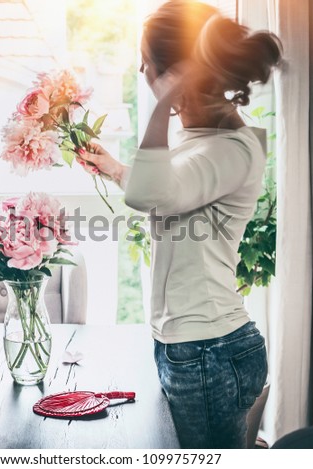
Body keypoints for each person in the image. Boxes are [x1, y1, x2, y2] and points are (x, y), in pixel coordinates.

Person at [76, 0, 282, 449]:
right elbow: (174, 193)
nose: (142, 71)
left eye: (146, 63)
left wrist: (163, 100)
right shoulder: (205, 139)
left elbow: (155, 194)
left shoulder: (233, 148)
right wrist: (114, 168)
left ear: (174, 74)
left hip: (208, 348)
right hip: (193, 346)